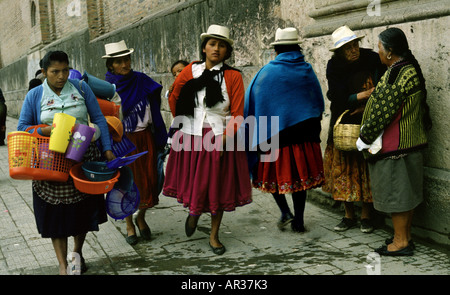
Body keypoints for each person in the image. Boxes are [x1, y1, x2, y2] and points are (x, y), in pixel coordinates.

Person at [17, 51, 115, 274]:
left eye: (65, 70)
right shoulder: (35, 95)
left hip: (82, 155)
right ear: (44, 72)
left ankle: (77, 253)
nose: (61, 76)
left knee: (82, 210)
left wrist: (107, 149)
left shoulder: (81, 88)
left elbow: (98, 118)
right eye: (55, 72)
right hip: (50, 162)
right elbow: (22, 127)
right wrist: (45, 130)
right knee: (55, 216)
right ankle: (63, 266)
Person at [163, 24, 252, 255]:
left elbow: (237, 113)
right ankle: (194, 212)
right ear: (204, 48)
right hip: (191, 136)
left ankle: (214, 235)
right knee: (196, 182)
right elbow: (174, 97)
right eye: (212, 44)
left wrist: (225, 140)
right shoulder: (190, 71)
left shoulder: (232, 76)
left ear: (226, 51)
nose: (216, 49)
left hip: (219, 136)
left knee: (217, 186)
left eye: (221, 45)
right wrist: (182, 123)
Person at [357, 28, 432, 256]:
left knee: (397, 196)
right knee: (406, 195)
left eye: (379, 48)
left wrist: (364, 138)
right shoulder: (408, 70)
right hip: (411, 144)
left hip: (394, 147)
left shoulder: (395, 75)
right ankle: (405, 237)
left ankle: (400, 242)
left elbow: (382, 113)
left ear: (390, 52)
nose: (378, 52)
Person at [244, 27, 325, 232]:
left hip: (275, 137)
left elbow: (254, 100)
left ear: (277, 50)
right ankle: (299, 220)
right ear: (297, 47)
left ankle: (285, 212)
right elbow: (317, 101)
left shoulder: (267, 72)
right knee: (300, 181)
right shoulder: (306, 69)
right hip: (303, 136)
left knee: (272, 178)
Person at [103, 40, 168, 245]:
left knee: (150, 179)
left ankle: (141, 217)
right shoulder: (106, 89)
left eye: (127, 59)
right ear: (111, 65)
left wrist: (160, 135)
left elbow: (155, 105)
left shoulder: (141, 80)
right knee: (126, 183)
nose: (125, 64)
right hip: (123, 141)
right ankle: (129, 223)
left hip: (146, 138)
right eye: (119, 61)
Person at [323, 25, 386, 233]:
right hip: (344, 123)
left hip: (367, 121)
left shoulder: (371, 59)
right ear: (340, 51)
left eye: (355, 45)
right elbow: (335, 96)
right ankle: (349, 215)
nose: (353, 50)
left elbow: (383, 82)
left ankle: (366, 216)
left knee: (365, 169)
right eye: (348, 48)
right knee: (342, 170)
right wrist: (363, 95)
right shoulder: (334, 66)